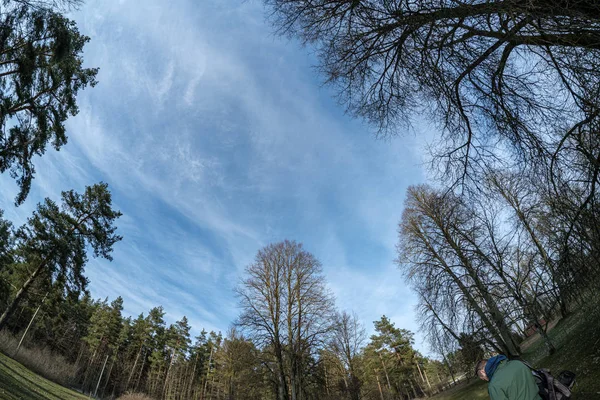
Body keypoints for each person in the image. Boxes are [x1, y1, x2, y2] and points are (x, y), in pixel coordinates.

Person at [476, 355, 542, 400]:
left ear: (482, 372)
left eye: (482, 377)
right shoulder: (517, 363)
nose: (483, 379)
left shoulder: (494, 386)